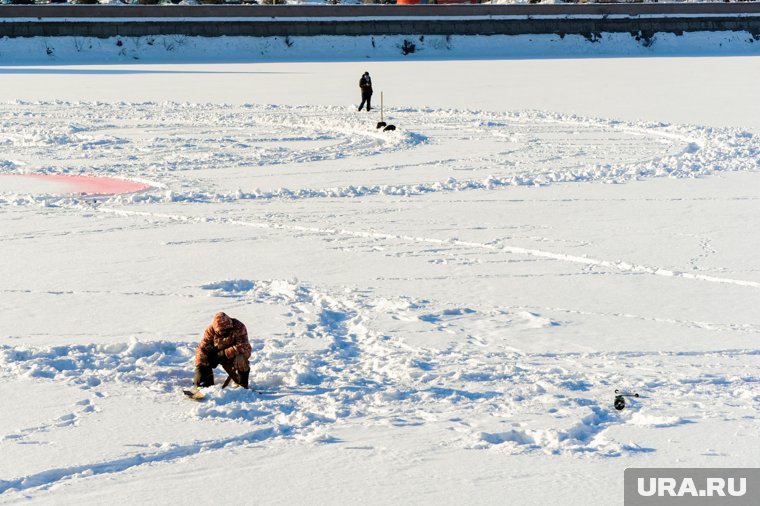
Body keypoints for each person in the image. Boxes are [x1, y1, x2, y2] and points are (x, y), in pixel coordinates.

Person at [194, 312, 251, 389]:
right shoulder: (210, 330)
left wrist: (223, 354)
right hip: (216, 354)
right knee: (203, 357)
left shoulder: (238, 327)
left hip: (235, 354)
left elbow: (243, 346)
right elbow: (202, 348)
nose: (222, 332)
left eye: (225, 330)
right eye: (220, 331)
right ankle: (204, 384)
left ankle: (242, 383)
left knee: (241, 358)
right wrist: (200, 367)